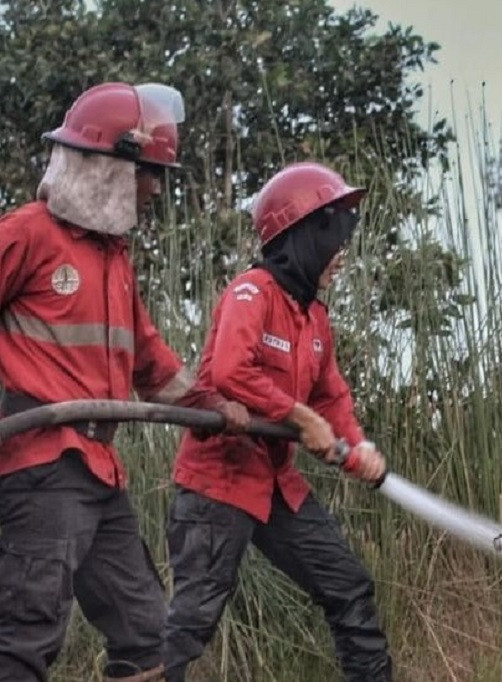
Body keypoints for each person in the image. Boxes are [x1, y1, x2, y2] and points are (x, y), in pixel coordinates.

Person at [0, 82, 250, 682]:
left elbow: (150, 363)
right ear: (109, 165)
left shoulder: (114, 259)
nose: (155, 188)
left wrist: (216, 407)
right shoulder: (27, 233)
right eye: (148, 173)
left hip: (96, 472)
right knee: (24, 641)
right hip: (39, 465)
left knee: (149, 641)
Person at [161, 161, 392, 681]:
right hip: (218, 481)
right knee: (192, 619)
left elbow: (333, 399)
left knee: (348, 585)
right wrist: (297, 415)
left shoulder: (315, 319)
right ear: (306, 235)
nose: (343, 254)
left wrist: (359, 447)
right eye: (335, 238)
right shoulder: (252, 293)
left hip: (276, 486)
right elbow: (228, 370)